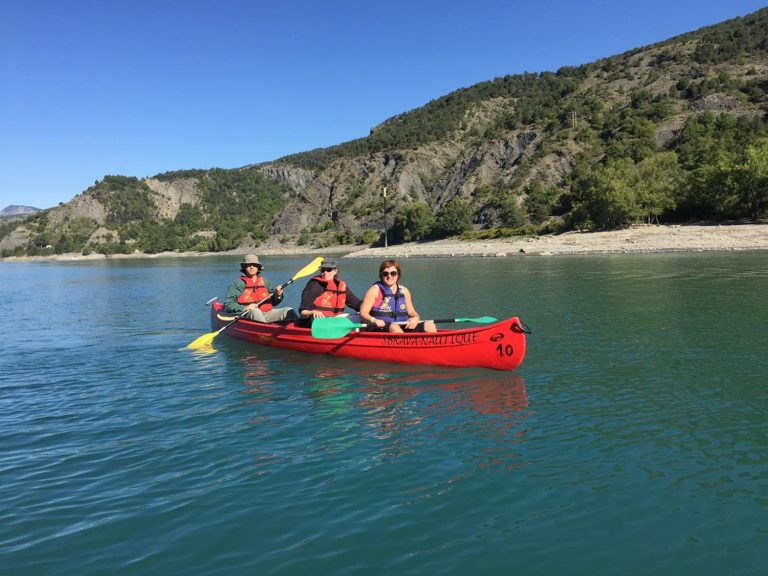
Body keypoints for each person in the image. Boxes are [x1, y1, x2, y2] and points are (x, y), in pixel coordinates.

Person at [359, 259, 437, 333]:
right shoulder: (374, 290)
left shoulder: (404, 291)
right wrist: (374, 320)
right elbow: (363, 313)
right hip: (378, 327)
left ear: (398, 274)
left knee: (430, 325)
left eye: (393, 273)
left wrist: (416, 318)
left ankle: (431, 347)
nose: (389, 276)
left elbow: (412, 312)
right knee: (394, 328)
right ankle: (407, 345)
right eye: (385, 273)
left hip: (400, 326)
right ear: (381, 275)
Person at [223, 254, 299, 323]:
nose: (251, 267)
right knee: (256, 312)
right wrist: (245, 307)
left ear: (258, 267)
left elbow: (274, 302)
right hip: (248, 315)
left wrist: (278, 295)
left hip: (267, 313)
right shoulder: (238, 283)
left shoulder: (265, 281)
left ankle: (302, 329)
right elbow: (228, 304)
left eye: (254, 265)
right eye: (248, 265)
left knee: (289, 310)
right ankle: (267, 332)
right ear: (244, 268)